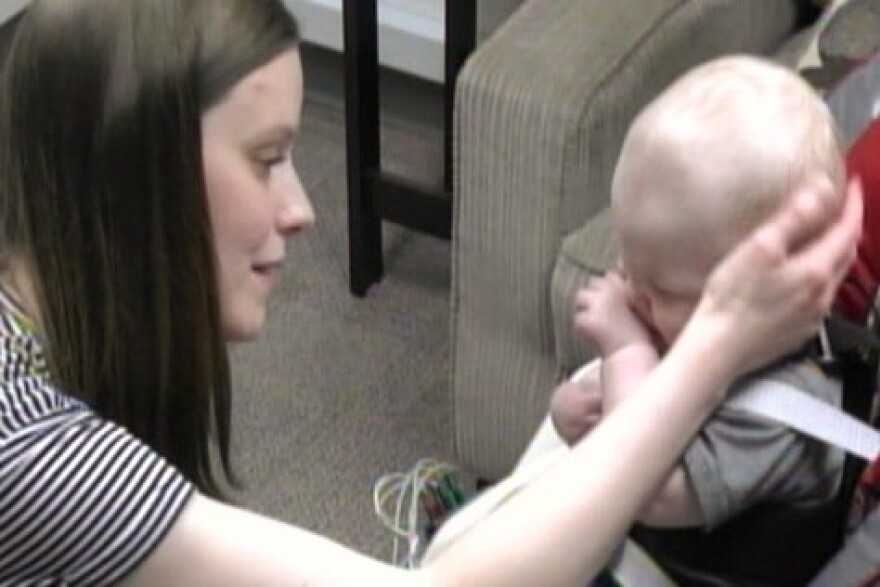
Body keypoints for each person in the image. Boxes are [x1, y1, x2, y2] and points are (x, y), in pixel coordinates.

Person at [0, 2, 862, 585]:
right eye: (266, 159)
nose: (303, 210)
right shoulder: (33, 453)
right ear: (129, 180)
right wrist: (716, 343)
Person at [549, 56, 853, 583]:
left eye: (663, 288)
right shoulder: (681, 321)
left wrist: (626, 352)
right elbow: (631, 415)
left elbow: (648, 491)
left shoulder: (787, 411)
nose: (634, 296)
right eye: (627, 263)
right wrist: (574, 414)